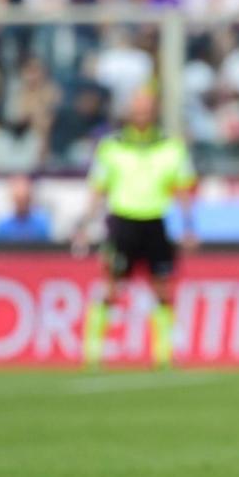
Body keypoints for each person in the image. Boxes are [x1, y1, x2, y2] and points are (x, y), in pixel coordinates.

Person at [72, 89, 197, 371]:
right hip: (122, 221)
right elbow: (98, 190)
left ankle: (164, 354)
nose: (141, 113)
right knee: (112, 285)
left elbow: (183, 190)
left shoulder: (171, 146)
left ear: (154, 111)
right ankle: (92, 351)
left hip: (155, 220)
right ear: (129, 112)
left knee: (163, 288)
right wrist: (84, 224)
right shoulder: (111, 146)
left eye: (147, 107)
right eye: (137, 107)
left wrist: (189, 226)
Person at [0, 176, 53, 242]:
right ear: (13, 199)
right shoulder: (2, 226)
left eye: (25, 199)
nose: (22, 203)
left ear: (30, 198)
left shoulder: (42, 223)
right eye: (19, 200)